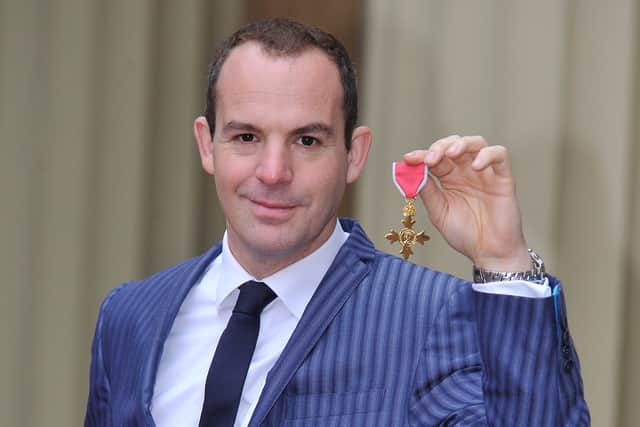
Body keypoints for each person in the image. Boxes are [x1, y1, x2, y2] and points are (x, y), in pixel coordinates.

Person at [84, 18, 589, 426]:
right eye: (246, 137)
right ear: (205, 144)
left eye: (307, 140)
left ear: (354, 153)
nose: (274, 172)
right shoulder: (129, 316)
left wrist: (504, 262)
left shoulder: (432, 317)